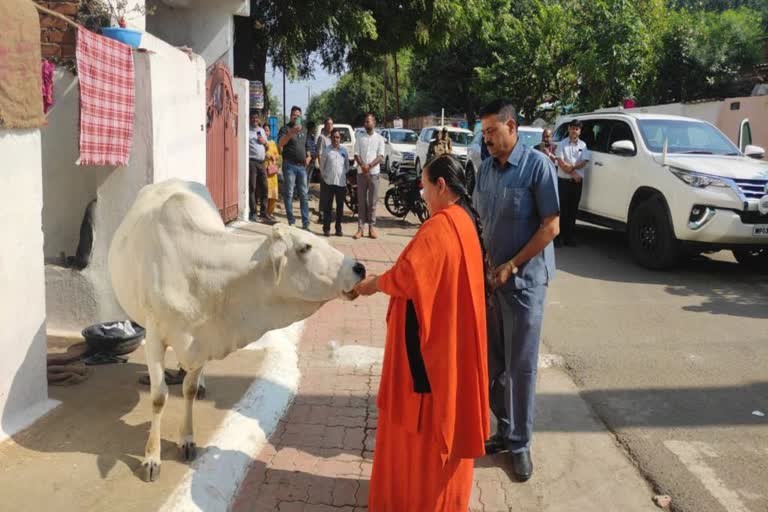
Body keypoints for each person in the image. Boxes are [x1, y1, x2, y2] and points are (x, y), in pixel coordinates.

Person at [354, 154, 490, 511]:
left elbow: (407, 276)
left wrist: (372, 285)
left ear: (441, 186)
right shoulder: (465, 221)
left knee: (421, 437)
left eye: (426, 187)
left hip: (426, 360)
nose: (423, 194)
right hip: (449, 347)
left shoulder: (441, 225)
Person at [473, 99, 559, 482]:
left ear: (511, 126)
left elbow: (550, 227)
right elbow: (481, 221)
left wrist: (513, 264)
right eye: (484, 132)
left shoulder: (537, 166)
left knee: (520, 369)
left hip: (524, 286)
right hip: (493, 284)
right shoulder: (486, 171)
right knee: (494, 366)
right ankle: (505, 430)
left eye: (492, 131)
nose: (486, 139)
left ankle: (521, 444)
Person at [554, 119, 590, 246]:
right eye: (572, 128)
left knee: (573, 211)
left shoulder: (583, 145)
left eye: (577, 129)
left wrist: (572, 167)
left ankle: (569, 237)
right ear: (568, 129)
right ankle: (558, 238)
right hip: (563, 182)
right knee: (562, 210)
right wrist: (573, 173)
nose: (574, 131)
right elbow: (561, 162)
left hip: (577, 184)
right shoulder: (562, 144)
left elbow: (585, 161)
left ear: (580, 131)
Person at [353, 112, 386, 239]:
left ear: (374, 123)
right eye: (365, 122)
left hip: (374, 174)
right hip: (361, 174)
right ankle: (360, 229)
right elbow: (356, 154)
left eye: (369, 121)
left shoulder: (379, 139)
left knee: (372, 203)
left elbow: (381, 156)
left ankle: (371, 228)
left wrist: (369, 166)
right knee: (361, 202)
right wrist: (363, 166)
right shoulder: (359, 138)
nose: (367, 123)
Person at [278, 106, 311, 229]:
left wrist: (308, 157)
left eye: (298, 115)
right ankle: (291, 221)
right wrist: (291, 132)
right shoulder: (285, 128)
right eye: (294, 115)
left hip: (302, 167)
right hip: (289, 166)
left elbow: (308, 147)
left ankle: (305, 223)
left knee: (304, 194)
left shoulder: (304, 130)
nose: (296, 117)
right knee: (289, 194)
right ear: (290, 115)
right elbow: (280, 144)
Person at [319, 128, 348, 237]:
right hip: (329, 182)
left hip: (341, 183)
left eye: (337, 137)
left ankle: (338, 229)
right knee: (328, 207)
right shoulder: (326, 151)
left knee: (340, 207)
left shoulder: (344, 151)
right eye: (334, 137)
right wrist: (325, 177)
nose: (336, 139)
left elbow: (347, 166)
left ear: (340, 139)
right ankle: (326, 229)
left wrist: (343, 174)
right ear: (330, 138)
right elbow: (322, 166)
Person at [248, 113, 268, 221]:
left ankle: (264, 212)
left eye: (256, 118)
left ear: (258, 119)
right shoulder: (247, 130)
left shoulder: (262, 131)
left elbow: (268, 146)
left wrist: (264, 142)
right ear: (250, 119)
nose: (255, 119)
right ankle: (253, 212)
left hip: (262, 162)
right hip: (252, 162)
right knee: (252, 187)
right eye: (253, 118)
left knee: (264, 188)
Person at [316, 117, 334, 224]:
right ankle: (322, 215)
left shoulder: (333, 138)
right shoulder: (322, 138)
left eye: (332, 124)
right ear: (325, 125)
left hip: (333, 170)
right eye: (328, 124)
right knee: (323, 194)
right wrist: (322, 170)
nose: (330, 126)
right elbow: (319, 154)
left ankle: (329, 214)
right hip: (325, 170)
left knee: (331, 194)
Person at [264, 123, 280, 221]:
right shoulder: (261, 143)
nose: (266, 132)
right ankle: (264, 212)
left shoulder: (273, 143)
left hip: (273, 171)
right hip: (265, 169)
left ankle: (270, 212)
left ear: (269, 132)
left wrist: (275, 158)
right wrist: (269, 155)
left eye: (267, 130)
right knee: (266, 193)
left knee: (273, 194)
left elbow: (277, 155)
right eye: (264, 130)